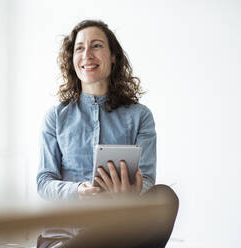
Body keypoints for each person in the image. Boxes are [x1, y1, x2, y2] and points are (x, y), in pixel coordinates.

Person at [36, 19, 178, 248]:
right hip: (65, 237)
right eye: (79, 48)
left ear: (113, 56)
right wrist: (78, 191)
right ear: (72, 60)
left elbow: (148, 179)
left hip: (117, 228)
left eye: (97, 46)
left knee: (165, 197)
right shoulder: (55, 117)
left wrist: (129, 195)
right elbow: (44, 182)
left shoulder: (140, 116)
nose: (87, 54)